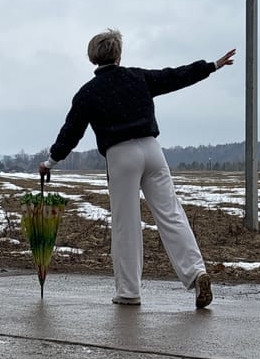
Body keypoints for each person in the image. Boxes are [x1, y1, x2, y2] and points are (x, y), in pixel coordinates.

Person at [39, 29, 236, 308]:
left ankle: (129, 292)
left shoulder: (87, 93)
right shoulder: (138, 78)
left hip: (121, 155)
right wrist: (211, 66)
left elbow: (71, 133)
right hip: (153, 150)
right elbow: (174, 76)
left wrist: (51, 162)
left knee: (126, 224)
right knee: (171, 214)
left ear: (93, 57)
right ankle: (196, 273)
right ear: (118, 54)